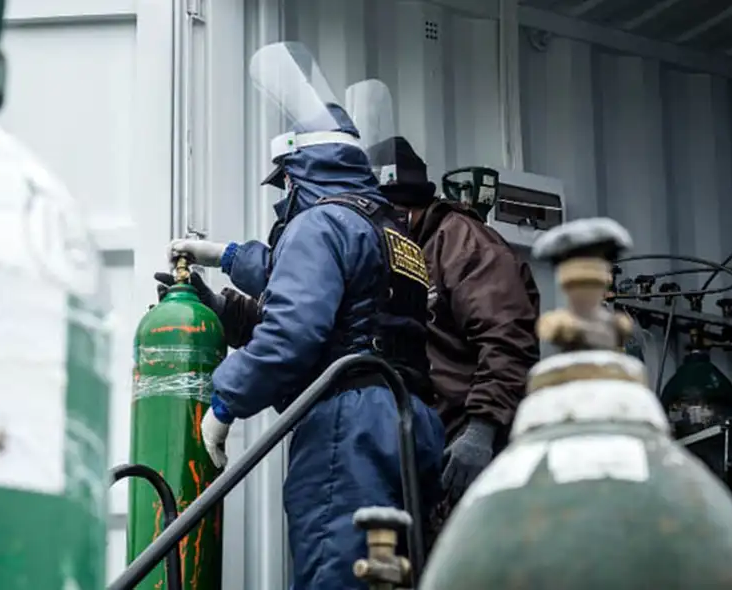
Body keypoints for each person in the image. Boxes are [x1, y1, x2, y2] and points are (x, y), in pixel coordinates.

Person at [157, 42, 445, 588]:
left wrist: (225, 405)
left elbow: (294, 331)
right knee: (394, 573)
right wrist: (225, 259)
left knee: (336, 571)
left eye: (283, 184)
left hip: (349, 423)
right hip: (412, 421)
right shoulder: (387, 229)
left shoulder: (319, 225)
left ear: (297, 174)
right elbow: (328, 286)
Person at [364, 130, 541, 538]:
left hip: (473, 450)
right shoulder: (397, 257)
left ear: (404, 209)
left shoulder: (461, 241)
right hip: (426, 456)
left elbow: (508, 335)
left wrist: (481, 430)